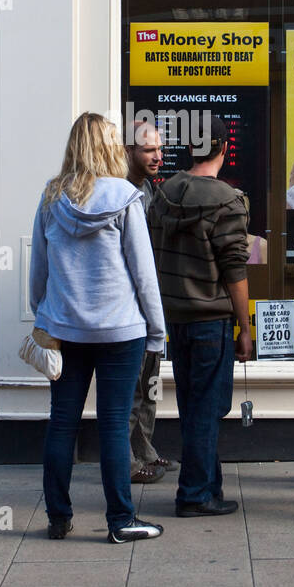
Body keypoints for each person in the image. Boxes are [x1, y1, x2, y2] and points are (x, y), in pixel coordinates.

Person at [30, 112, 167, 544]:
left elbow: (38, 271)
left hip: (65, 329)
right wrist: (157, 332)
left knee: (61, 424)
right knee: (112, 425)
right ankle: (120, 522)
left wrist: (45, 314)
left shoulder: (52, 197)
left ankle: (58, 518)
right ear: (110, 147)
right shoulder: (126, 197)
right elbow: (143, 274)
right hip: (119, 332)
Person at [148, 116, 253, 517]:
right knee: (208, 408)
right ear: (223, 148)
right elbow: (235, 271)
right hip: (211, 320)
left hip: (175, 317)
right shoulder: (228, 200)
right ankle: (194, 495)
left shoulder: (163, 194)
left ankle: (210, 486)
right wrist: (245, 328)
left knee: (195, 406)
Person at [124, 120, 177, 485]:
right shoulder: (121, 194)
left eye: (159, 149)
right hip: (130, 306)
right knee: (130, 387)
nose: (158, 156)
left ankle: (146, 451)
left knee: (149, 382)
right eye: (149, 150)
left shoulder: (149, 190)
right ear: (129, 151)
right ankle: (127, 462)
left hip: (152, 301)